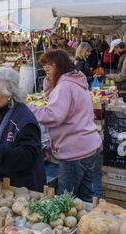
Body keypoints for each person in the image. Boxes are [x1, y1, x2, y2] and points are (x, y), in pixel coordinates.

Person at [27, 49, 102, 202]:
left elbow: (53, 115)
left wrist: (27, 107)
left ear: (59, 66)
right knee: (85, 196)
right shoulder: (75, 81)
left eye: (50, 66)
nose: (46, 69)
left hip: (74, 151)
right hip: (88, 145)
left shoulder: (64, 86)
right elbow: (55, 100)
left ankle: (76, 225)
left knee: (64, 201)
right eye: (45, 66)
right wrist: (49, 81)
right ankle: (88, 223)